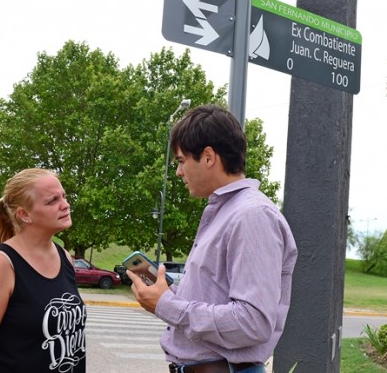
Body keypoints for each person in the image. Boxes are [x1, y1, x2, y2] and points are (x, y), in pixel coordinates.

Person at [127, 104, 298, 373]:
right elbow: (215, 298)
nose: (179, 172)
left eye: (182, 160)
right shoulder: (226, 212)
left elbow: (252, 322)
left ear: (208, 157)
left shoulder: (251, 216)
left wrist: (168, 306)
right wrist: (166, 295)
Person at [0, 168, 86, 372]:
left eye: (64, 196)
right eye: (52, 201)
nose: (65, 205)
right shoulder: (3, 263)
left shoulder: (65, 258)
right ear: (24, 214)